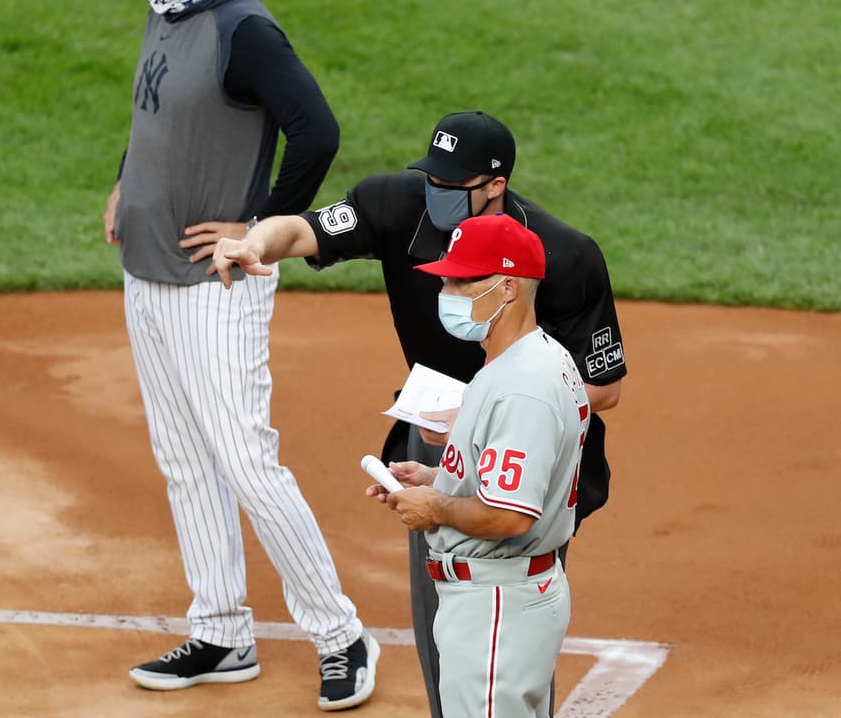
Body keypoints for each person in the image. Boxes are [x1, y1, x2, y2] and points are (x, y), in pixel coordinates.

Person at [210, 110, 627, 716]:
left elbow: (603, 387)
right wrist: (254, 243)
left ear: (494, 186)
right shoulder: (398, 204)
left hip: (529, 436)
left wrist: (482, 409)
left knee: (509, 606)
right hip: (434, 441)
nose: (435, 195)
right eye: (432, 179)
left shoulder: (562, 256)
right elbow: (299, 232)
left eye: (452, 187)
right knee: (444, 618)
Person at [97, 0, 378, 711]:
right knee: (185, 461)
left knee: (247, 462)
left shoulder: (240, 27)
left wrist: (258, 225)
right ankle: (221, 630)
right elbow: (158, 114)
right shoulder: (170, 9)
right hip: (147, 273)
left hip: (218, 285)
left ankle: (341, 635)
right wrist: (126, 179)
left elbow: (316, 127)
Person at [370, 212, 590, 718]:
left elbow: (511, 516)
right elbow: (504, 472)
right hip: (505, 596)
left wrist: (436, 508)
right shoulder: (532, 358)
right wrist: (432, 479)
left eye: (462, 279)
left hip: (497, 604)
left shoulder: (521, 386)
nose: (446, 289)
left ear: (509, 287)